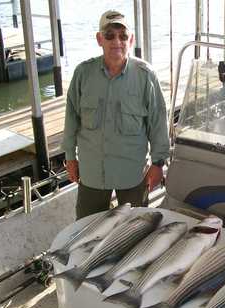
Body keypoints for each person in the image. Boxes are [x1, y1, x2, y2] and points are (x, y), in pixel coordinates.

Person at [62, 10, 169, 219]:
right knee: (86, 228)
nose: (116, 41)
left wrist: (158, 163)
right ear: (99, 39)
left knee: (136, 229)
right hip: (91, 173)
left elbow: (158, 123)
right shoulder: (83, 73)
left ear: (131, 39)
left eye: (122, 35)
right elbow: (71, 117)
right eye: (109, 35)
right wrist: (69, 157)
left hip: (132, 174)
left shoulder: (146, 76)